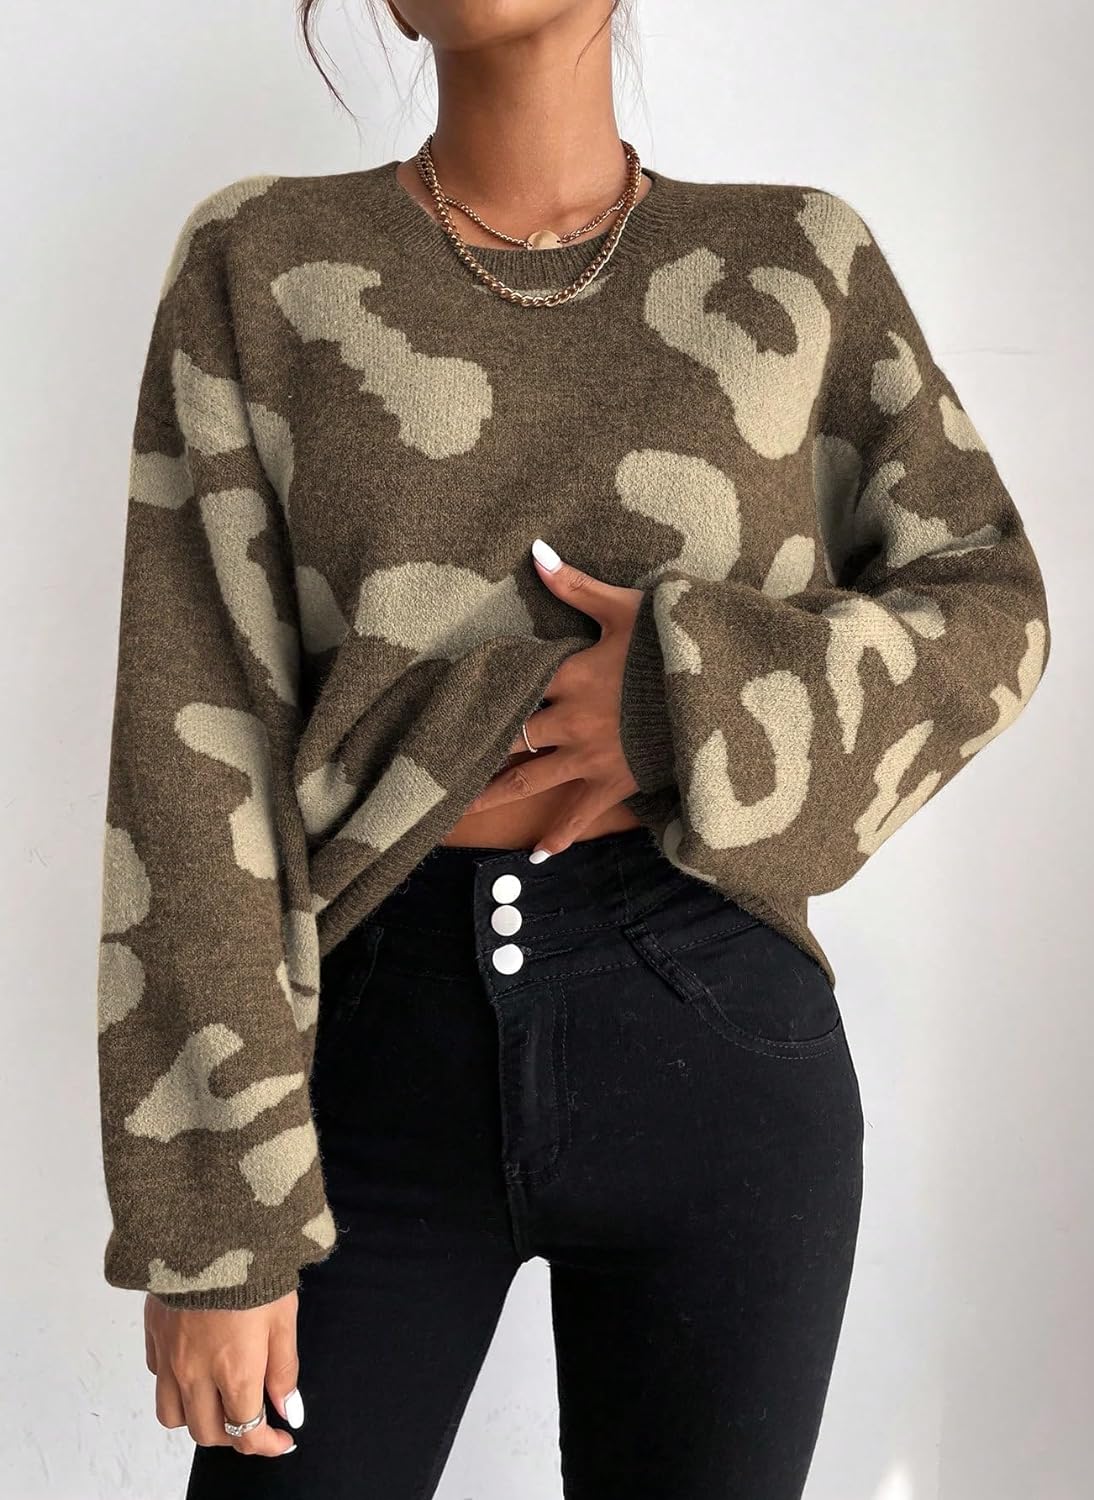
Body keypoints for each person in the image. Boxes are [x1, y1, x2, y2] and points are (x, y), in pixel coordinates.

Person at [93, 1, 1052, 1495]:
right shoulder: (260, 259)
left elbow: (992, 608)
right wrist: (211, 1222)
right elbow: (186, 736)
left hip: (712, 1025)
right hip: (363, 1046)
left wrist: (680, 700)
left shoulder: (799, 257)